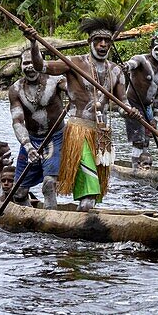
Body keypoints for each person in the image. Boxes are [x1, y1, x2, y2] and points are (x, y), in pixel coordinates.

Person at [32, 16, 125, 211]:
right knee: (89, 189)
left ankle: (78, 210)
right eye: (98, 40)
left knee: (93, 193)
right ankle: (65, 201)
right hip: (78, 131)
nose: (103, 44)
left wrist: (131, 112)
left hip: (101, 135)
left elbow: (123, 102)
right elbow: (41, 67)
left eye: (107, 41)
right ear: (88, 42)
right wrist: (34, 43)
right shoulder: (73, 63)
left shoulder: (115, 70)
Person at [10, 47, 69, 209]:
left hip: (55, 138)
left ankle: (52, 219)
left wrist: (76, 94)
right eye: (26, 63)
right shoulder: (16, 90)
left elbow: (75, 92)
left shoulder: (55, 80)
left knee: (49, 184)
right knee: (19, 193)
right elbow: (17, 122)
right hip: (31, 141)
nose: (30, 67)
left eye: (33, 63)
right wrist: (28, 147)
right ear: (20, 66)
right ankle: (29, 219)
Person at [122, 30, 158, 168]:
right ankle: (134, 168)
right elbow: (132, 63)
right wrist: (126, 66)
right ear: (151, 49)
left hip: (148, 107)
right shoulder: (141, 60)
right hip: (132, 104)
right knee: (138, 140)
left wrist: (155, 117)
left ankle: (144, 167)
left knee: (147, 139)